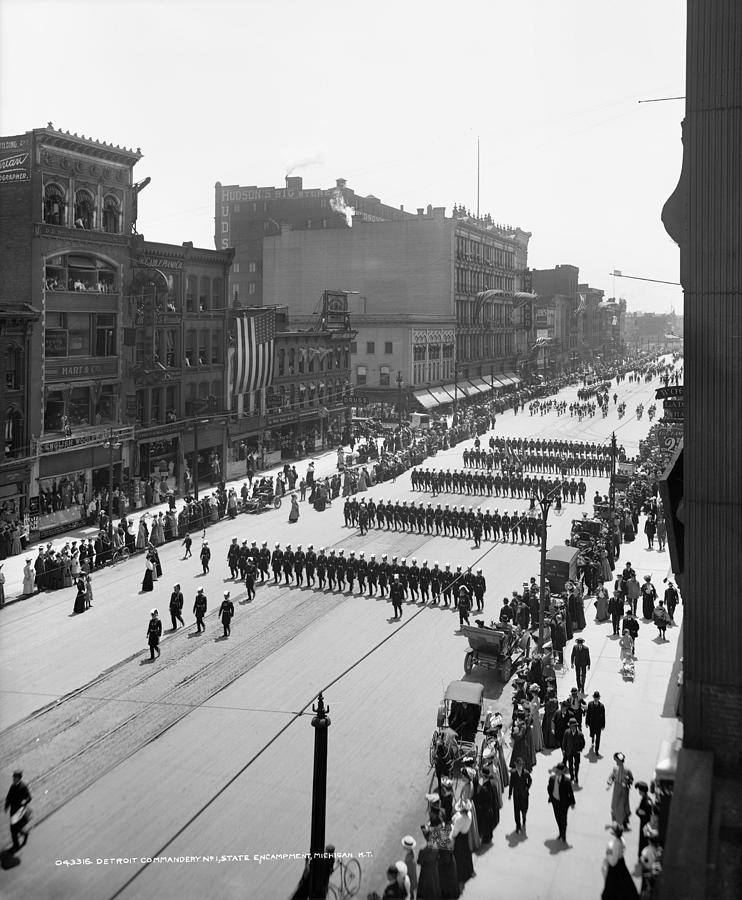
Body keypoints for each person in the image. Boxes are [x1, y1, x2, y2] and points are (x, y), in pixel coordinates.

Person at [601, 824, 639, 900]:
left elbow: (613, 861)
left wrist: (608, 859)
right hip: (621, 864)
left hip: (615, 867)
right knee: (625, 883)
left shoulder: (614, 844)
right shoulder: (622, 840)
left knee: (613, 886)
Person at [547, 761, 575, 843]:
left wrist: (572, 802)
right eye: (557, 770)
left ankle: (563, 835)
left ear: (562, 771)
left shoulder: (567, 781)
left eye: (559, 771)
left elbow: (570, 792)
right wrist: (551, 796)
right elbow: (549, 788)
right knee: (558, 819)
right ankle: (560, 832)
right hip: (555, 802)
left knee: (563, 820)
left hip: (564, 803)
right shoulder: (552, 779)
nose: (557, 772)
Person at [5, 770, 31, 851]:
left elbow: (29, 797)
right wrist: (6, 805)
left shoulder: (23, 786)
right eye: (13, 777)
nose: (13, 779)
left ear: (19, 778)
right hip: (13, 811)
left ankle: (16, 846)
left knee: (13, 829)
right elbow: (9, 797)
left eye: (15, 777)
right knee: (15, 829)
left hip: (19, 811)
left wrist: (25, 801)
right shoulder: (12, 786)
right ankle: (25, 834)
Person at [451, 799, 474, 886]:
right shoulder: (469, 815)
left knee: (459, 856)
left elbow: (454, 832)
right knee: (466, 854)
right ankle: (468, 871)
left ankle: (461, 875)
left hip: (460, 838)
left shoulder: (460, 819)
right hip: (465, 836)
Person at [607, 752, 634, 829]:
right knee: (615, 804)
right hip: (617, 788)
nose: (616, 762)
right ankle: (616, 821)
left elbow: (631, 779)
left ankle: (622, 821)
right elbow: (612, 776)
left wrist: (627, 782)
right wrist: (609, 782)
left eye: (617, 761)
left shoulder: (627, 770)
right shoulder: (615, 769)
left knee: (622, 805)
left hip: (624, 789)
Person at [508, 756, 532, 834]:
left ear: (522, 765)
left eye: (520, 765)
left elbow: (530, 780)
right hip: (516, 795)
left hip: (524, 795)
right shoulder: (513, 773)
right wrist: (510, 794)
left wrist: (527, 788)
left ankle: (524, 818)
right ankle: (518, 825)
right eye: (517, 765)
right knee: (516, 811)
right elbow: (511, 784)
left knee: (524, 809)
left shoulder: (526, 773)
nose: (518, 766)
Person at [561, 717, 586, 784]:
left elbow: (583, 743)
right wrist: (563, 749)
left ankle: (576, 776)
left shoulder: (580, 734)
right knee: (570, 765)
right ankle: (572, 776)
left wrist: (580, 750)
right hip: (569, 751)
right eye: (571, 726)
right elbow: (564, 742)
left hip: (576, 752)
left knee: (577, 765)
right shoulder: (567, 732)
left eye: (574, 726)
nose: (573, 728)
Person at [585, 690, 606, 755]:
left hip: (598, 725)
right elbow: (588, 714)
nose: (596, 699)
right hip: (591, 724)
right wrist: (586, 722)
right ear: (593, 698)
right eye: (595, 698)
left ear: (599, 698)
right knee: (592, 734)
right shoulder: (590, 704)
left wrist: (603, 725)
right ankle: (592, 737)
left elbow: (603, 717)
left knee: (598, 738)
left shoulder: (602, 706)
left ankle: (597, 750)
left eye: (597, 698)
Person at [401, 836, 418, 900]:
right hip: (413, 881)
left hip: (409, 883)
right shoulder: (412, 853)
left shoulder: (409, 859)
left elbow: (408, 873)